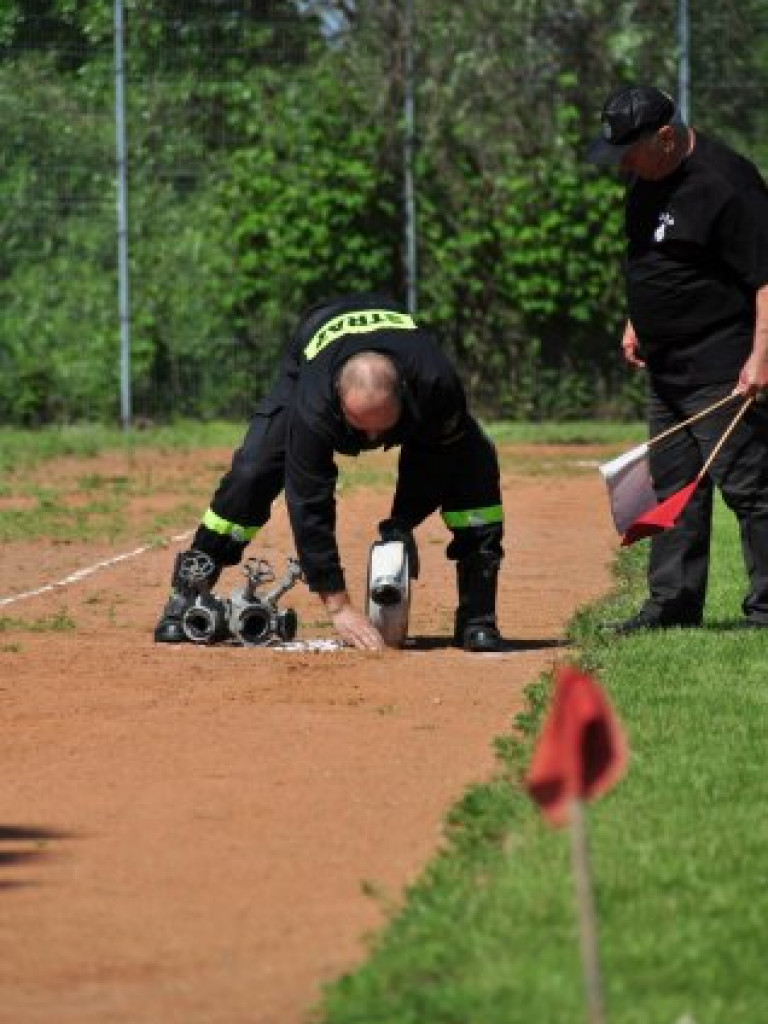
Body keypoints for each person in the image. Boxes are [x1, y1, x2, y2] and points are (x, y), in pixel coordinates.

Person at [154, 292, 506, 651]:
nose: (370, 439)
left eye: (382, 428)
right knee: (253, 472)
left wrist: (402, 522)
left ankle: (478, 616)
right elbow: (309, 500)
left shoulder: (438, 386)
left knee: (470, 465)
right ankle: (185, 595)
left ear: (404, 394)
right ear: (338, 399)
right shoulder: (314, 404)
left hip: (403, 367)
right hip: (314, 342)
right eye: (360, 428)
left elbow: (434, 460)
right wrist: (338, 607)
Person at [586, 84, 768, 633]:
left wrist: (762, 356)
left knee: (750, 486)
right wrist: (638, 319)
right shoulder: (645, 181)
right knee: (672, 487)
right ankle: (673, 605)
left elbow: (766, 279)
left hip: (721, 361)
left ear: (665, 138)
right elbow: (653, 260)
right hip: (666, 368)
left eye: (629, 152)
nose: (622, 166)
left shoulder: (727, 184)